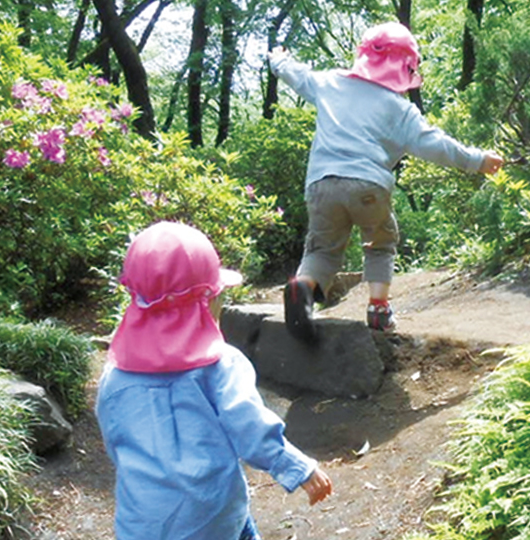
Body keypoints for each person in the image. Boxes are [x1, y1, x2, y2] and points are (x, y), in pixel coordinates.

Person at [95, 221, 333, 540]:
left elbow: (116, 441)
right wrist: (295, 466)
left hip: (142, 523)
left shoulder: (116, 374)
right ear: (205, 303)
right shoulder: (220, 366)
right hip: (212, 516)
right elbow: (250, 427)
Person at [268, 21, 504, 341]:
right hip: (368, 187)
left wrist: (279, 59)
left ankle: (302, 286)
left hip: (321, 185)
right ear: (405, 69)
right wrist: (478, 161)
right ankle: (378, 309)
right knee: (380, 242)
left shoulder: (330, 82)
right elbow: (436, 144)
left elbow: (296, 74)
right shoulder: (400, 109)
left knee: (322, 248)